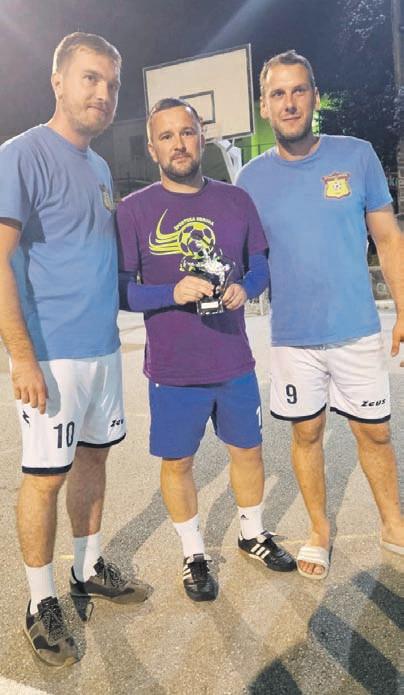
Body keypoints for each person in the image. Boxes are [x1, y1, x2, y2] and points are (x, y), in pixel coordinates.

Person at [0, 33, 150, 668]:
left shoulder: (98, 167)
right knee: (45, 477)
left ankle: (86, 568)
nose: (103, 93)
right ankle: (40, 603)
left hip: (102, 349)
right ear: (58, 81)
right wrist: (22, 356)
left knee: (94, 459)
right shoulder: (20, 154)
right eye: (90, 78)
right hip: (52, 354)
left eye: (111, 83)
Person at [117, 98, 296, 602]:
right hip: (174, 369)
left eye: (187, 132)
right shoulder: (133, 210)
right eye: (167, 136)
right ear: (152, 148)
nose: (179, 144)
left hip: (233, 360)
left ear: (202, 137)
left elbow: (260, 266)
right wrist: (170, 292)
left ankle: (251, 533)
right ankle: (193, 553)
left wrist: (246, 288)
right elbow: (121, 291)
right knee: (178, 463)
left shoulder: (236, 201)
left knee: (249, 451)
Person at [236, 50, 404, 579]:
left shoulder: (357, 155)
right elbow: (245, 260)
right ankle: (319, 531)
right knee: (306, 434)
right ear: (264, 106)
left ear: (314, 96)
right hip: (293, 337)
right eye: (278, 93)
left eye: (299, 90)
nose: (289, 102)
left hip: (356, 329)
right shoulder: (249, 179)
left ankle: (393, 525)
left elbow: (388, 238)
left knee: (375, 434)